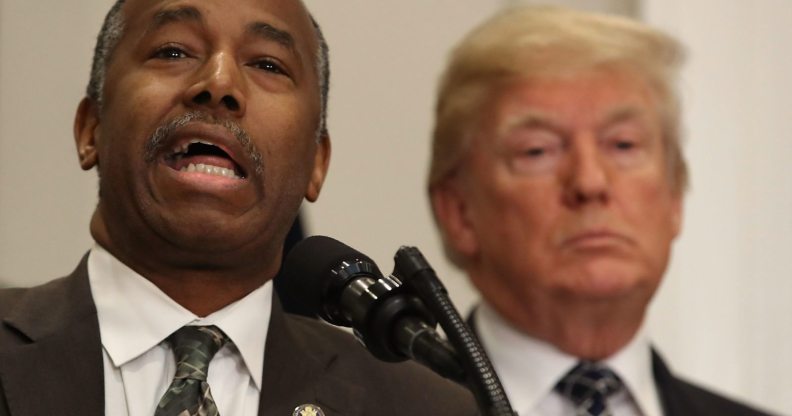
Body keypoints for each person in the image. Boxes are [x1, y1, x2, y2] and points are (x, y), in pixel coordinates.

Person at [0, 1, 478, 415]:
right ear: (90, 129)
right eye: (173, 51)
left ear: (316, 164)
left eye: (268, 65)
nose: (219, 82)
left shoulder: (424, 406)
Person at [427, 6, 774, 416]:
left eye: (623, 145)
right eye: (538, 150)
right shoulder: (378, 405)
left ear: (675, 195)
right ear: (459, 211)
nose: (590, 183)